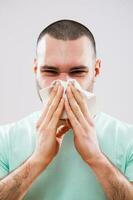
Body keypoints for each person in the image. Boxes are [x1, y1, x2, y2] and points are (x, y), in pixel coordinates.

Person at [0, 19, 133, 200]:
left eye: (78, 72)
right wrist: (38, 159)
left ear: (96, 70)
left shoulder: (129, 139)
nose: (63, 85)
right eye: (50, 71)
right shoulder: (5, 139)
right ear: (35, 69)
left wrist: (96, 158)